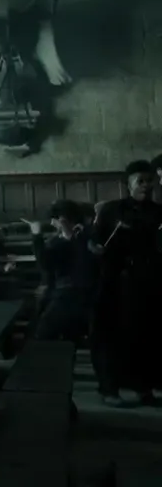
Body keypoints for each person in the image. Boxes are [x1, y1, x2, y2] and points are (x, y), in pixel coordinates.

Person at [90, 160, 162, 407]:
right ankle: (109, 389)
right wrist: (95, 247)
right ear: (128, 184)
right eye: (140, 181)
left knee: (145, 336)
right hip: (115, 282)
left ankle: (144, 388)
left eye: (149, 181)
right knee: (111, 337)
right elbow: (95, 240)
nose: (145, 185)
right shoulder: (112, 210)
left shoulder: (159, 212)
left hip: (148, 283)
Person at [25, 200, 97, 341]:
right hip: (63, 292)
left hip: (73, 294)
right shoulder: (62, 239)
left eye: (55, 219)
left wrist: (37, 235)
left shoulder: (84, 236)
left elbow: (45, 263)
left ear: (64, 219)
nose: (52, 223)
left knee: (42, 331)